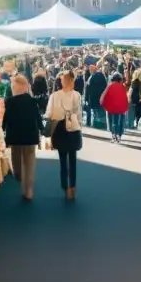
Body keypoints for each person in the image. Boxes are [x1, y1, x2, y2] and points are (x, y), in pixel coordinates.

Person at [2, 75, 42, 202]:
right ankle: (28, 190)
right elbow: (38, 118)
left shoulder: (9, 101)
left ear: (17, 87)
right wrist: (41, 129)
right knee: (29, 163)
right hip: (30, 135)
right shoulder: (32, 101)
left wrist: (3, 130)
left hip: (15, 136)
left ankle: (19, 176)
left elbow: (6, 119)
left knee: (16, 159)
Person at [46, 70, 83, 201]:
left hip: (59, 129)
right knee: (72, 160)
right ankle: (72, 187)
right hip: (73, 128)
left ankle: (64, 185)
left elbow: (48, 114)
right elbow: (79, 115)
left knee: (62, 160)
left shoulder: (54, 96)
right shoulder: (77, 95)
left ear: (63, 81)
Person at [101, 72, 130, 143]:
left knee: (111, 121)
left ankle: (113, 135)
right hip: (121, 107)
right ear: (120, 79)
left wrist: (104, 104)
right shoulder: (122, 87)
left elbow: (105, 96)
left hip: (111, 106)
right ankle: (119, 135)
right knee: (120, 122)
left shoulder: (110, 86)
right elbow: (125, 97)